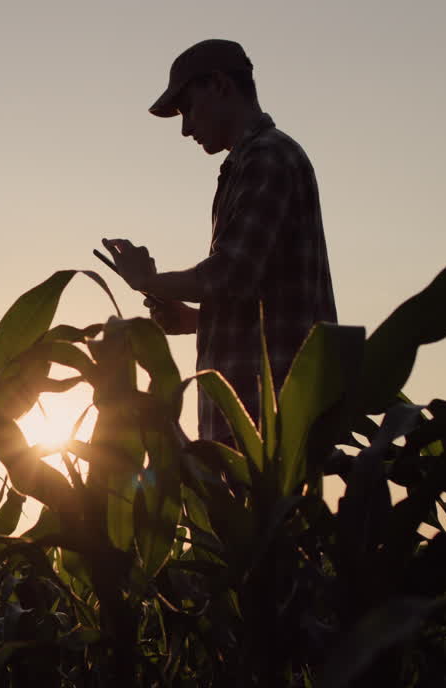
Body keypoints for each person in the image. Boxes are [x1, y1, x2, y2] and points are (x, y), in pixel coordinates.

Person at [102, 39, 337, 446]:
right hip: (254, 418)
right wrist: (197, 322)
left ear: (221, 86)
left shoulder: (268, 158)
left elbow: (231, 274)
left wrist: (148, 281)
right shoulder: (249, 163)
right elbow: (262, 298)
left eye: (188, 108)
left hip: (268, 420)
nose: (186, 127)